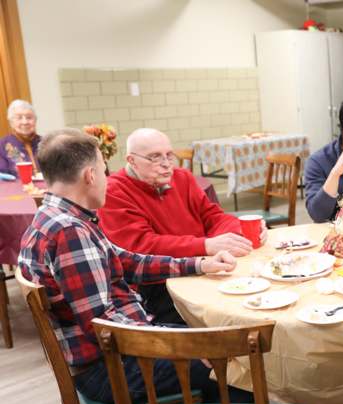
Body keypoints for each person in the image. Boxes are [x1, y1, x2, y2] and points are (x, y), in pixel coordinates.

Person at [17, 129, 249, 404]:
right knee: (234, 364)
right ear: (90, 176)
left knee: (215, 343)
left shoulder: (55, 215)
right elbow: (101, 326)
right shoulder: (69, 232)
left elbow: (128, 261)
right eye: (104, 172)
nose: (107, 179)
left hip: (120, 348)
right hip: (109, 369)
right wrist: (179, 344)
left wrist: (200, 263)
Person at [98, 128, 267, 324]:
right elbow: (141, 246)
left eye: (169, 155)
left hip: (203, 267)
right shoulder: (114, 191)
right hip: (157, 284)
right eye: (154, 157)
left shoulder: (182, 178)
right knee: (233, 313)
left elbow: (213, 217)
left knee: (257, 292)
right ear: (131, 160)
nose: (166, 164)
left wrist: (241, 229)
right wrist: (206, 245)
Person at [0, 100, 40, 178]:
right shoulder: (2, 145)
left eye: (29, 118)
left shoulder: (46, 143)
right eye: (19, 118)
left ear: (35, 120)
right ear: (11, 122)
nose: (25, 122)